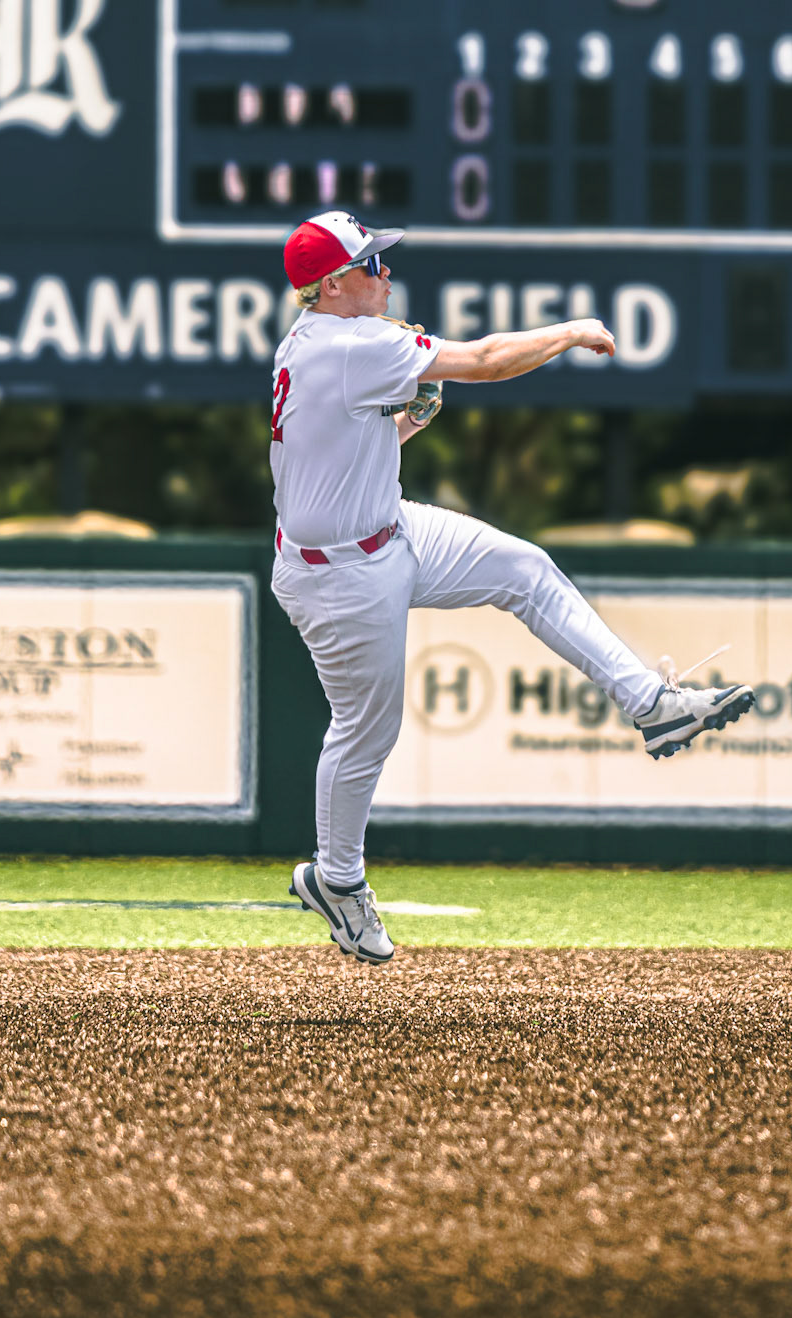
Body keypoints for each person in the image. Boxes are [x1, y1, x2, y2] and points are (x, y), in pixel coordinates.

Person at [270, 210, 754, 965]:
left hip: (385, 530)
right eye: (370, 264)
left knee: (524, 569)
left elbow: (350, 450)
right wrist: (571, 331)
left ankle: (652, 707)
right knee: (366, 731)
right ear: (332, 285)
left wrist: (406, 421)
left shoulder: (317, 341)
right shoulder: (352, 343)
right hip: (340, 575)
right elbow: (490, 360)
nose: (385, 273)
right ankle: (337, 879)